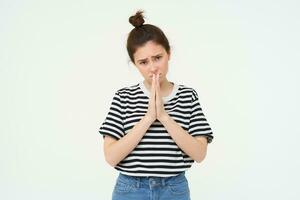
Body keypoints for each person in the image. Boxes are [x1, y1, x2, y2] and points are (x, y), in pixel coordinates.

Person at [98, 9, 214, 200]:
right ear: (135, 64)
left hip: (174, 188)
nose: (152, 67)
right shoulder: (124, 97)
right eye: (143, 62)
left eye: (158, 58)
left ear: (168, 53)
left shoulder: (187, 95)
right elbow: (111, 157)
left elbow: (199, 153)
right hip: (130, 189)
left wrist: (164, 116)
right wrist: (149, 117)